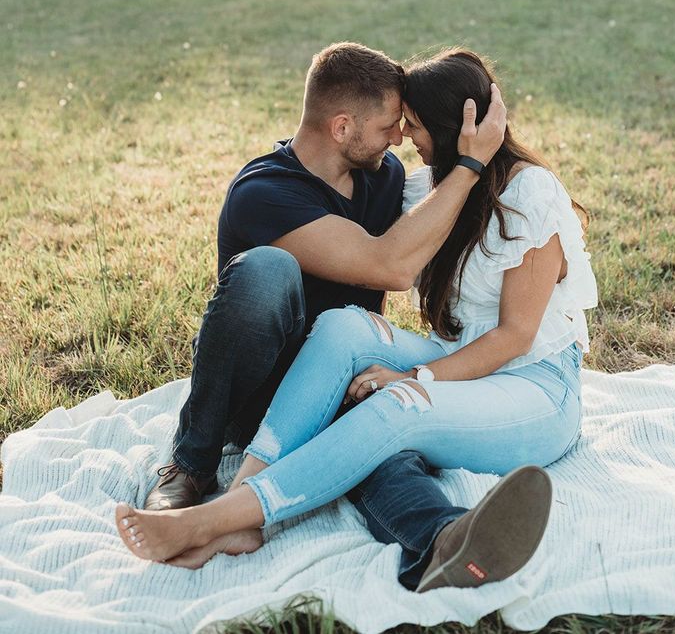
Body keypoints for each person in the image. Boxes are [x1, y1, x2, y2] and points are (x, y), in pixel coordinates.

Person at [117, 48, 598, 592]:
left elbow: (516, 337)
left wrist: (414, 379)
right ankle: (224, 491)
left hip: (532, 383)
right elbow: (389, 261)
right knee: (340, 325)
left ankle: (218, 519)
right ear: (343, 127)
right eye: (396, 126)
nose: (401, 139)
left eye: (411, 126)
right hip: (406, 371)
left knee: (394, 407)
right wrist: (466, 167)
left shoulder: (524, 192)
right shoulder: (402, 189)